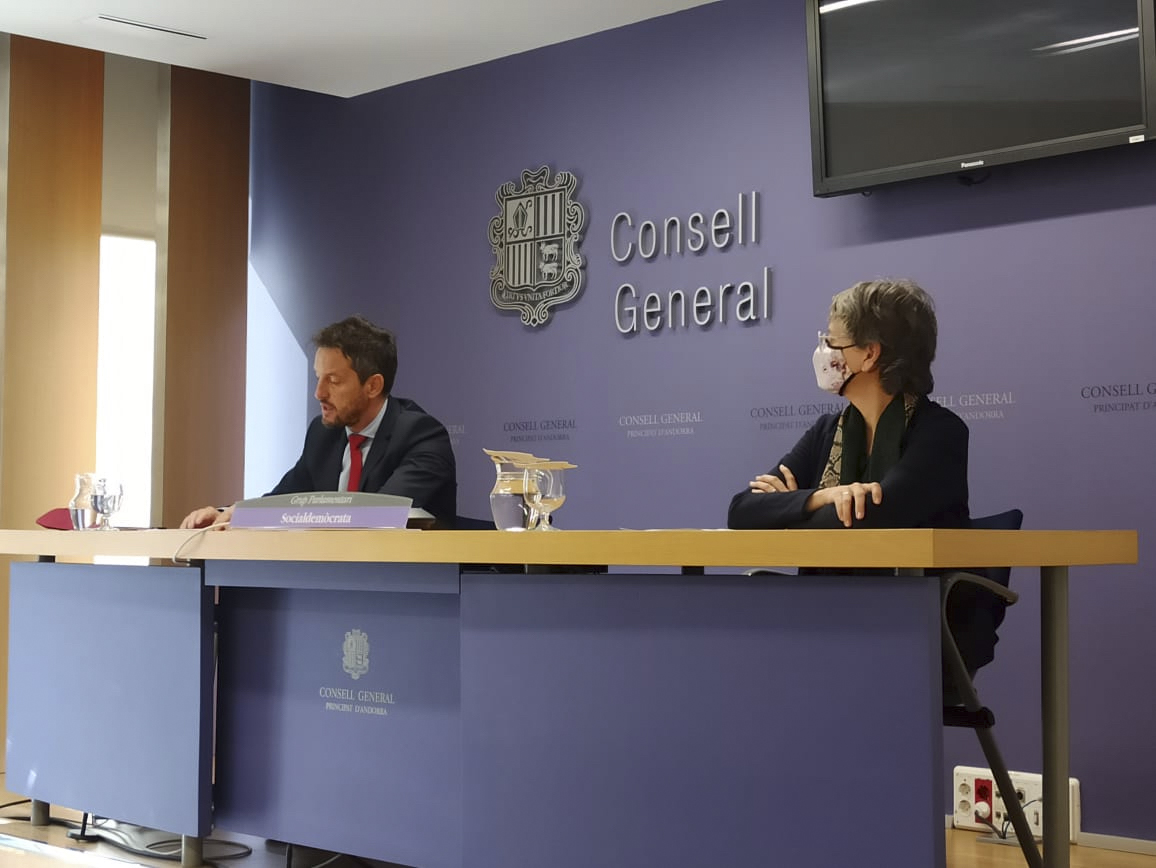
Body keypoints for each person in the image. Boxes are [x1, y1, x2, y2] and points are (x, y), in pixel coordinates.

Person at [727, 279, 999, 694]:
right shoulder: (826, 430)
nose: (823, 351)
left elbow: (870, 520)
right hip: (830, 622)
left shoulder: (940, 433)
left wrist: (788, 508)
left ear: (869, 354)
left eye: (832, 342)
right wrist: (822, 496)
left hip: (917, 630)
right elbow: (742, 511)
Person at [180, 315, 456, 528]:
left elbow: (381, 515)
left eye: (333, 381)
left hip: (405, 581)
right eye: (318, 377)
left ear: (372, 386)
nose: (319, 393)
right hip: (331, 577)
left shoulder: (421, 436)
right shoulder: (323, 434)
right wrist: (228, 515)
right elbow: (283, 500)